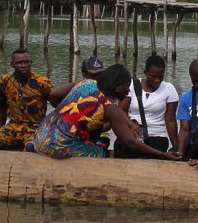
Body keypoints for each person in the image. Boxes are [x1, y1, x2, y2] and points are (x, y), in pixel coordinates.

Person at [27, 63, 180, 161]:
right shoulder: (109, 107)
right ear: (117, 87)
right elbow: (129, 143)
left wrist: (68, 117)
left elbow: (53, 96)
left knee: (93, 128)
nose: (128, 91)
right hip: (56, 145)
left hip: (41, 135)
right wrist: (162, 154)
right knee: (99, 153)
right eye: (126, 87)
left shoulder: (86, 83)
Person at [0, 49, 53, 150]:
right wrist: (0, 128)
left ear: (31, 63)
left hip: (35, 129)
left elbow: (58, 105)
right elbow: (2, 104)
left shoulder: (42, 82)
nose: (23, 65)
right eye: (19, 63)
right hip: (13, 127)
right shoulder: (5, 80)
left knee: (31, 147)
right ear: (12, 64)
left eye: (26, 62)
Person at [116, 54, 179, 157]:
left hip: (157, 137)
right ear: (145, 73)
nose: (157, 80)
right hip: (133, 135)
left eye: (160, 76)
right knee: (122, 147)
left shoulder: (169, 89)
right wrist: (131, 125)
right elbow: (121, 112)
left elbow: (170, 121)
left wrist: (176, 146)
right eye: (153, 76)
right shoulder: (131, 86)